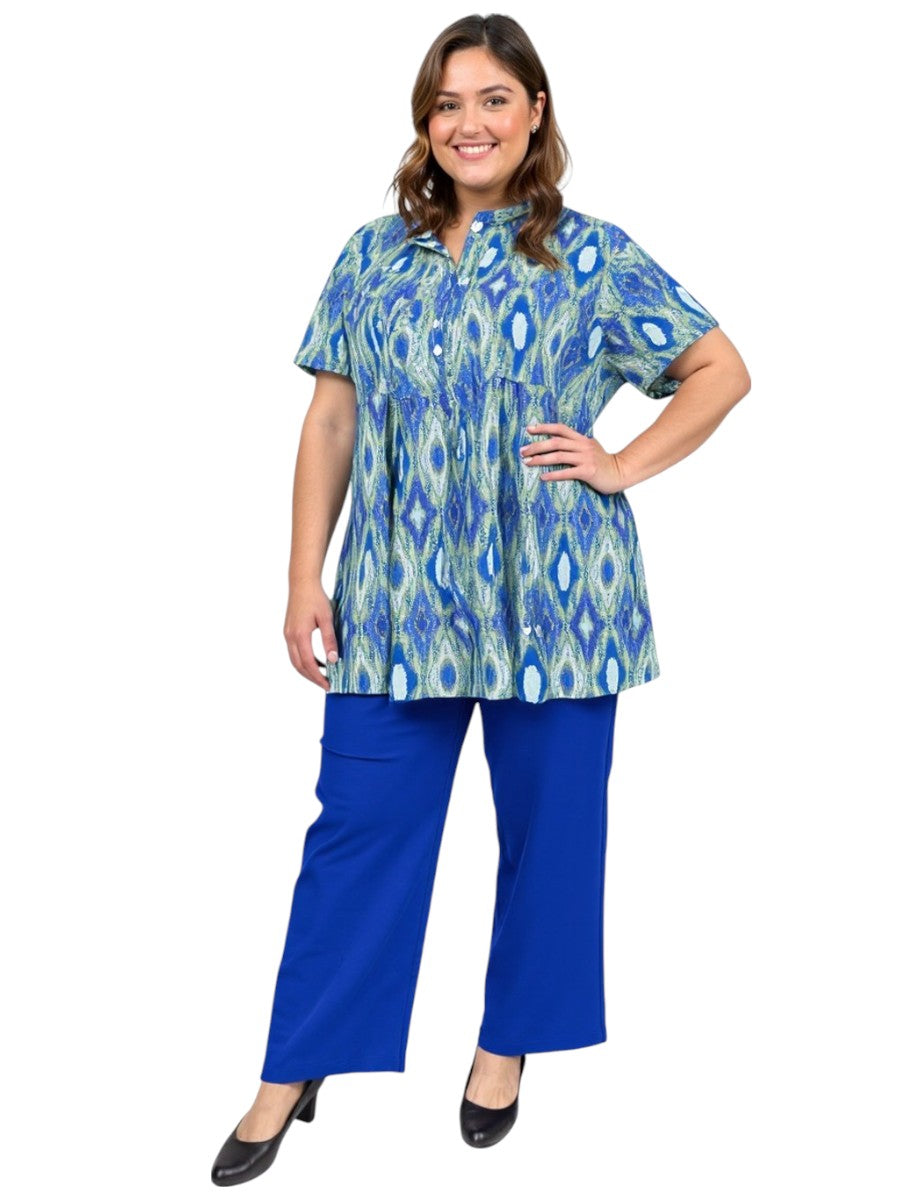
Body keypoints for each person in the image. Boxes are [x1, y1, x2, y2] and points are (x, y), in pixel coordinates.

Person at [212, 12, 750, 1185]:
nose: (470, 124)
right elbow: (332, 419)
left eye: (494, 99)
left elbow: (721, 369)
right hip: (392, 602)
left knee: (553, 838)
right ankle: (295, 1065)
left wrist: (620, 463)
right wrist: (303, 575)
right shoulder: (372, 256)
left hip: (558, 605)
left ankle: (507, 1045)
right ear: (426, 122)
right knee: (356, 831)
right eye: (448, 104)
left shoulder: (593, 255)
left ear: (535, 112)